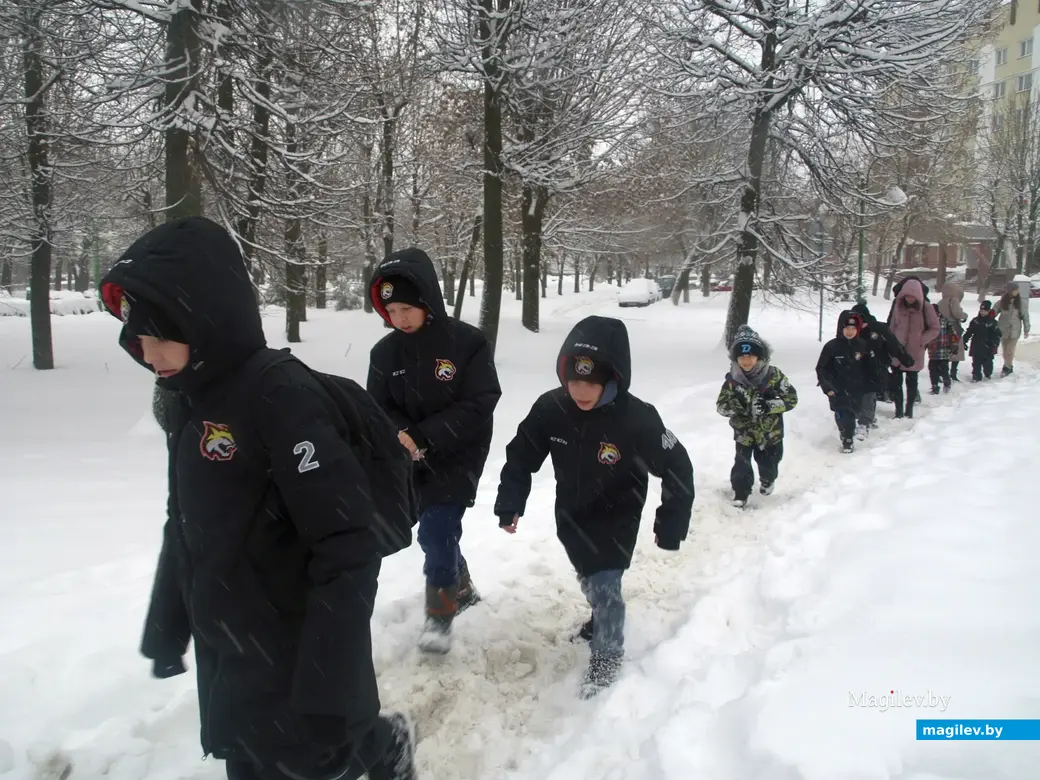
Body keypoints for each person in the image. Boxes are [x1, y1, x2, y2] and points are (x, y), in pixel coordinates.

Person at [99, 217, 416, 780]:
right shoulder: (186, 401)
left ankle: (378, 740)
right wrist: (168, 621)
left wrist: (327, 677)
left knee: (301, 751)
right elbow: (186, 523)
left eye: (157, 336)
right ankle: (381, 741)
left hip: (296, 646)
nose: (148, 356)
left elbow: (346, 542)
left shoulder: (280, 395)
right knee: (253, 752)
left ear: (200, 318)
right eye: (137, 341)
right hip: (233, 646)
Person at [493, 315, 695, 698]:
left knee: (605, 586)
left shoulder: (638, 418)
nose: (581, 390)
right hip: (571, 514)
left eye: (591, 381)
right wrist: (511, 499)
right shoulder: (551, 408)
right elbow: (521, 456)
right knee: (589, 578)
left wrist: (671, 520)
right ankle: (599, 614)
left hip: (618, 514)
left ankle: (607, 653)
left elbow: (677, 466)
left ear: (613, 378)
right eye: (574, 380)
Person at [366, 247, 502, 654]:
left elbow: (482, 400)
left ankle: (439, 615)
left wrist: (427, 435)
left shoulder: (467, 343)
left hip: (459, 452)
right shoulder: (384, 354)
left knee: (437, 529)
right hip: (409, 457)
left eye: (407, 308)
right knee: (435, 533)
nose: (400, 319)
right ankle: (461, 583)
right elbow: (378, 408)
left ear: (427, 300)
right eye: (391, 311)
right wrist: (404, 434)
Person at [715, 324, 798, 508]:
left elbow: (791, 398)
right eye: (742, 357)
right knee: (741, 465)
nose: (746, 361)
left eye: (750, 356)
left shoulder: (773, 376)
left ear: (759, 356)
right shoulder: (732, 381)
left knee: (769, 464)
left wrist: (769, 405)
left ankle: (768, 479)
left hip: (770, 433)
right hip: (744, 433)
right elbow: (721, 406)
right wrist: (738, 407)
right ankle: (740, 492)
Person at [816, 311, 878, 452]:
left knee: (853, 412)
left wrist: (875, 382)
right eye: (847, 329)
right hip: (837, 388)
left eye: (853, 329)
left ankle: (848, 432)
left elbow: (872, 368)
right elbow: (821, 368)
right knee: (843, 413)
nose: (850, 332)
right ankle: (847, 439)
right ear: (841, 329)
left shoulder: (863, 346)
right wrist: (827, 386)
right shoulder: (831, 347)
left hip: (857, 388)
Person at [850, 301, 913, 429]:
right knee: (857, 394)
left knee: (869, 392)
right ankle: (864, 417)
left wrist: (904, 358)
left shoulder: (879, 329)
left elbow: (893, 344)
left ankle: (865, 421)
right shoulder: (850, 329)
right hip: (855, 367)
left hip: (877, 366)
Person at [886, 278, 940, 418]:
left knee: (911, 382)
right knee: (896, 383)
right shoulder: (898, 306)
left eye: (912, 296)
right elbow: (892, 326)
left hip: (914, 351)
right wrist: (890, 343)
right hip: (898, 351)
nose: (909, 299)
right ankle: (898, 411)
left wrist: (922, 340)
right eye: (907, 296)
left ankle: (909, 410)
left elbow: (935, 328)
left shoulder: (926, 308)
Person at [962, 300, 1002, 381]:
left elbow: (998, 335)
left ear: (988, 311)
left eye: (984, 311)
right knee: (976, 363)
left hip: (988, 346)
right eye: (981, 310)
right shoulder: (975, 321)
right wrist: (963, 341)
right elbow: (969, 332)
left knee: (988, 364)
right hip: (976, 345)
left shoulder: (993, 322)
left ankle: (988, 374)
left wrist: (995, 344)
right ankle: (976, 376)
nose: (982, 312)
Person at [996, 282, 1029, 376]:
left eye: (1018, 290)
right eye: (1015, 290)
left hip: (1015, 330)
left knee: (1010, 350)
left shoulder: (1021, 302)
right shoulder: (1002, 302)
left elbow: (1025, 316)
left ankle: (1007, 367)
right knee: (1005, 350)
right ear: (1010, 291)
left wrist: (1027, 329)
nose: (1017, 291)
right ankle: (1008, 365)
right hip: (1002, 329)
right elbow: (993, 312)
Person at [937, 282, 968, 382]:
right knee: (957, 351)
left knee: (944, 352)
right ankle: (953, 373)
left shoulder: (940, 302)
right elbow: (957, 313)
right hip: (954, 328)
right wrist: (965, 315)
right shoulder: (954, 300)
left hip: (942, 329)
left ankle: (940, 372)